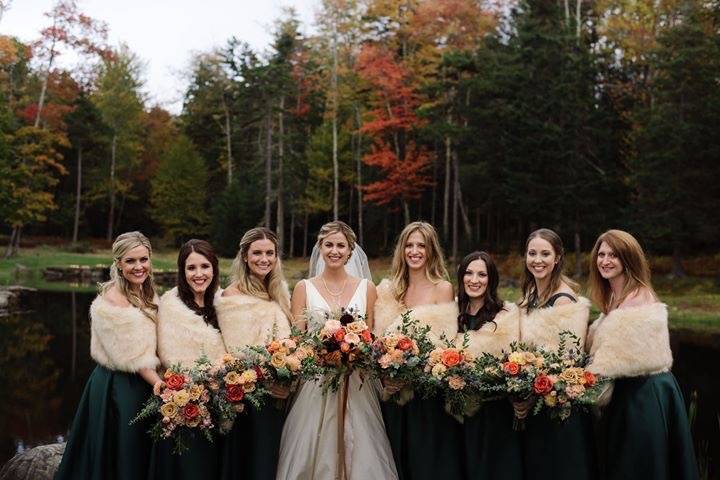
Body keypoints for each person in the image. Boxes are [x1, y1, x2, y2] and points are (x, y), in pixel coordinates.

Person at [277, 221, 398, 480]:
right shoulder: (303, 288)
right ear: (320, 247)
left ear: (350, 250)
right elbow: (298, 340)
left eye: (341, 245)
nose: (335, 250)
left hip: (356, 381)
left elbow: (372, 337)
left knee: (360, 448)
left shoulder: (367, 288)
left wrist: (355, 351)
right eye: (329, 244)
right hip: (316, 382)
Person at [586, 229, 698, 480]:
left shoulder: (636, 299)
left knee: (640, 467)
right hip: (631, 394)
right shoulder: (616, 295)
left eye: (613, 255)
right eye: (601, 254)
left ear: (628, 259)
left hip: (642, 397)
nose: (605, 260)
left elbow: (609, 365)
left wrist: (572, 387)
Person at [56, 231, 162, 480]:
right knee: (124, 450)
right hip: (120, 387)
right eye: (131, 261)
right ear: (118, 264)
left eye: (143, 259)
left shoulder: (146, 291)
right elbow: (134, 357)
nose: (139, 267)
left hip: (145, 382)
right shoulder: (113, 302)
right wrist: (160, 383)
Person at [374, 221, 461, 480]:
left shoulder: (442, 288)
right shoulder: (389, 290)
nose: (414, 251)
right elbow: (377, 343)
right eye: (409, 245)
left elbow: (445, 343)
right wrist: (386, 375)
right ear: (401, 250)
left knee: (425, 464)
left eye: (421, 246)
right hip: (392, 393)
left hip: (426, 396)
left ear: (431, 250)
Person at [516, 228, 596, 480]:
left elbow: (569, 362)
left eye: (545, 254)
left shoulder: (564, 301)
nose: (537, 260)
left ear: (558, 258)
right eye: (532, 253)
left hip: (558, 408)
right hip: (534, 405)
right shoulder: (530, 295)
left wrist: (537, 390)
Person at [216, 228, 292, 480]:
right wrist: (268, 379)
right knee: (251, 463)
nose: (264, 259)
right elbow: (238, 352)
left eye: (270, 253)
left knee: (273, 462)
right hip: (249, 397)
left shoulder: (279, 291)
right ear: (245, 257)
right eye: (257, 253)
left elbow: (289, 342)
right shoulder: (232, 296)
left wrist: (288, 381)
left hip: (278, 395)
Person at [151, 239, 226, 480]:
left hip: (223, 404)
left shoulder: (224, 303)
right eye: (191, 268)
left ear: (214, 268)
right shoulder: (171, 307)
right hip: (184, 405)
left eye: (204, 266)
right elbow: (170, 356)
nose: (199, 274)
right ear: (182, 272)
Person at [454, 251, 523, 480]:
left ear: (491, 279)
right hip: (457, 409)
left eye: (482, 274)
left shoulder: (504, 315)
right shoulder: (453, 312)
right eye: (469, 273)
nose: (474, 280)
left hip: (493, 411)